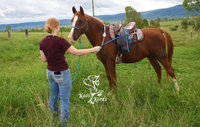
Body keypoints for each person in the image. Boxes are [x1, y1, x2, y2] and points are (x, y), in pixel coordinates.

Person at [39, 17, 101, 125]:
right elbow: (76, 52)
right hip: (62, 73)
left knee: (53, 96)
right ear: (57, 27)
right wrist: (93, 49)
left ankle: (53, 119)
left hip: (50, 73)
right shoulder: (60, 40)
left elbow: (44, 60)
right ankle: (65, 123)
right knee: (64, 99)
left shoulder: (43, 41)